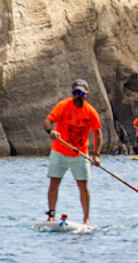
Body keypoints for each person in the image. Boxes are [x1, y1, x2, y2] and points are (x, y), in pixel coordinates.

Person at [43, 79, 102, 226]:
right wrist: (51, 131)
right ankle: (51, 215)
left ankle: (86, 219)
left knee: (83, 185)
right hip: (59, 151)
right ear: (72, 93)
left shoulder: (90, 112)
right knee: (54, 182)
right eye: (75, 93)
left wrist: (96, 155)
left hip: (80, 153)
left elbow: (98, 134)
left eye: (81, 93)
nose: (78, 96)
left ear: (86, 94)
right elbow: (47, 121)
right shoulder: (63, 106)